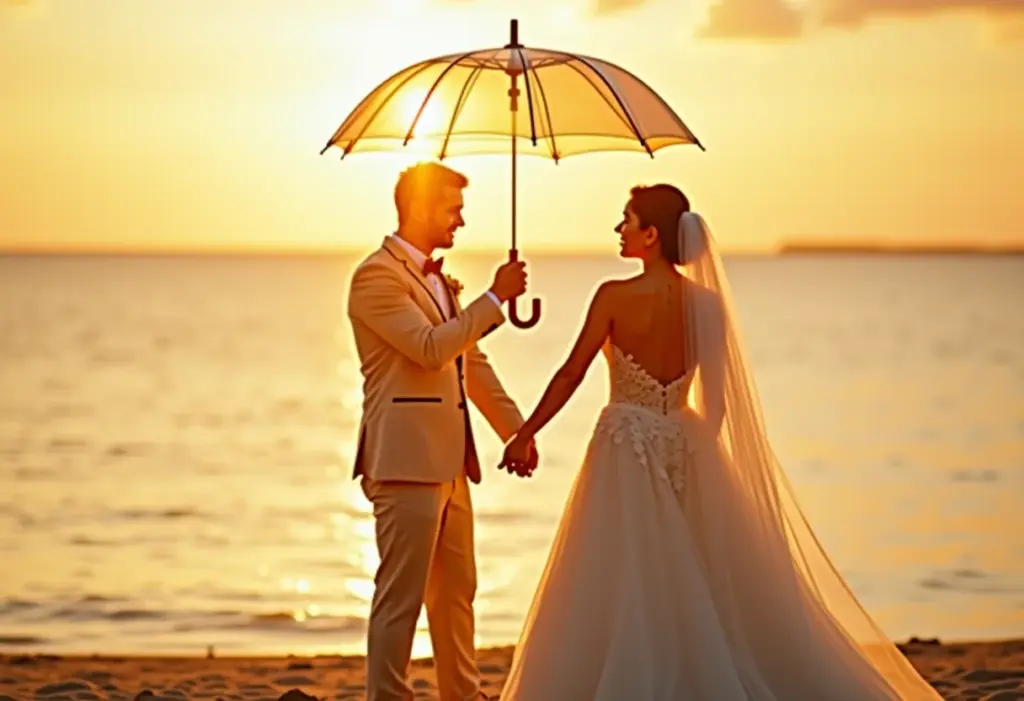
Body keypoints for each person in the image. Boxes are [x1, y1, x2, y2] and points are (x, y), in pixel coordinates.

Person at [498, 184, 943, 700]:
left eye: (627, 219)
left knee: (623, 577)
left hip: (625, 445)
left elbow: (571, 373)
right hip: (687, 443)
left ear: (652, 235)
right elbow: (717, 401)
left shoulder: (613, 296)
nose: (618, 229)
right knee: (693, 576)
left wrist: (525, 433)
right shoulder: (707, 304)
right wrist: (690, 452)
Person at [347, 161, 537, 701]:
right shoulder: (375, 278)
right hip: (404, 461)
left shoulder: (438, 279)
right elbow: (430, 349)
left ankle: (463, 694)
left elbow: (468, 363)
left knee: (457, 595)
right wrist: (495, 298)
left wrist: (516, 431)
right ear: (420, 208)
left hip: (453, 463)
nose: (460, 222)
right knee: (400, 599)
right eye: (453, 209)